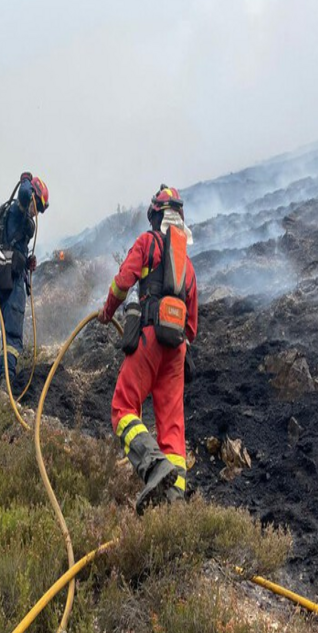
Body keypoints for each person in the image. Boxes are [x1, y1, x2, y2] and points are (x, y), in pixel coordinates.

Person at [97, 185, 198, 514]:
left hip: (150, 338)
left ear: (155, 215)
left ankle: (154, 468)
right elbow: (192, 326)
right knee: (172, 426)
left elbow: (123, 281)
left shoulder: (147, 243)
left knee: (123, 409)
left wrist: (108, 310)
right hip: (178, 350)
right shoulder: (189, 269)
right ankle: (175, 502)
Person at [0, 172, 49, 382]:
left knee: (9, 332)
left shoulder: (17, 217)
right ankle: (5, 377)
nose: (35, 213)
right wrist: (28, 181)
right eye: (37, 206)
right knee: (14, 336)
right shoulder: (18, 207)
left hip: (5, 276)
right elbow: (24, 192)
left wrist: (26, 261)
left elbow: (16, 249)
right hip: (11, 282)